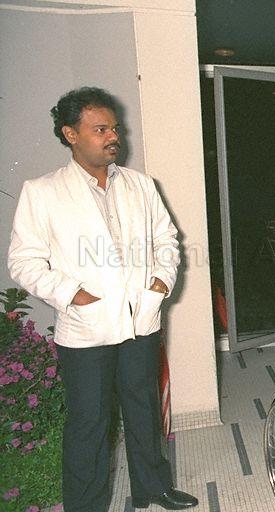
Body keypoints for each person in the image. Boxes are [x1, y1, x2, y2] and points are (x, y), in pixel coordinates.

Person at [6, 87, 197, 511]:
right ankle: (86, 505)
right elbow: (23, 261)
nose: (114, 136)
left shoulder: (141, 185)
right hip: (86, 328)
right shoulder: (43, 192)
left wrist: (160, 283)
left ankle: (153, 487)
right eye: (100, 129)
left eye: (114, 127)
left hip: (140, 321)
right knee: (89, 424)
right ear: (70, 134)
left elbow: (166, 239)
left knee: (143, 409)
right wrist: (72, 294)